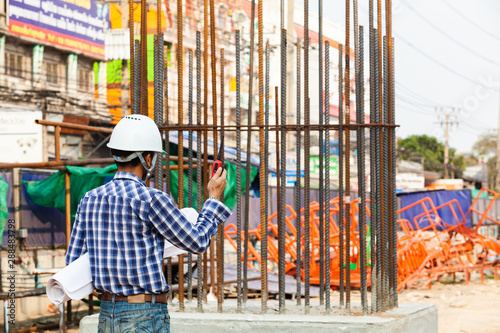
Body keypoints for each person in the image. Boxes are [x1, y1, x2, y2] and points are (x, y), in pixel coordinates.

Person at [65, 115, 230, 333]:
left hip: (106, 316)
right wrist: (214, 198)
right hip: (144, 316)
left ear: (116, 154)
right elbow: (198, 241)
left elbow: (74, 262)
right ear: (148, 158)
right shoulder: (151, 199)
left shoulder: (89, 199)